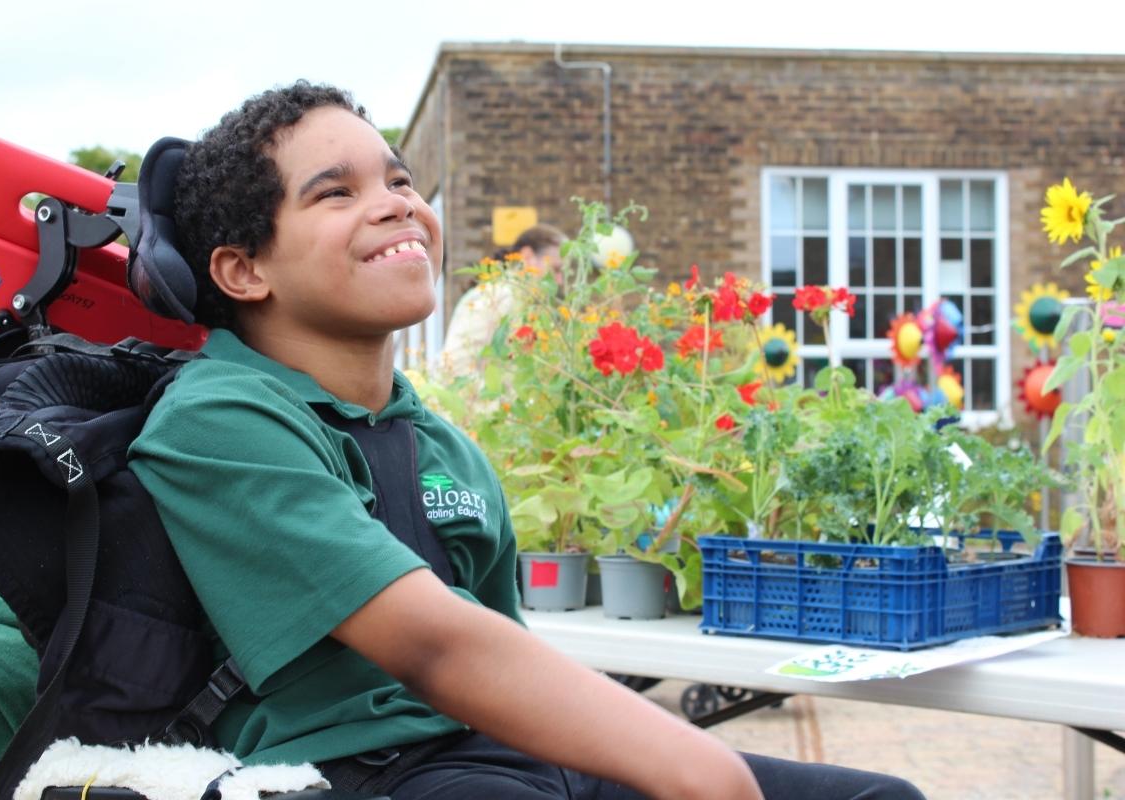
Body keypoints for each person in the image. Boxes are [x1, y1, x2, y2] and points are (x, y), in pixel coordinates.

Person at [127, 81, 925, 800]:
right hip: (354, 770)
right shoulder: (218, 420)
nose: (397, 203)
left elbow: (507, 655)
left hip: (496, 752)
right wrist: (699, 766)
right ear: (243, 270)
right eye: (336, 193)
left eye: (399, 180)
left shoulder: (438, 443)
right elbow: (437, 648)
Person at [440, 224, 566, 377]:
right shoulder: (498, 294)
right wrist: (498, 399)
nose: (560, 281)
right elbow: (455, 365)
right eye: (556, 269)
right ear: (527, 256)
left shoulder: (521, 300)